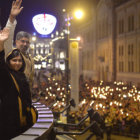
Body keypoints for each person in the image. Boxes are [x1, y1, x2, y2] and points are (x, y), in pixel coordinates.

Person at [0, 27, 37, 139]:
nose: (17, 63)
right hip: (9, 118)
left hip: (23, 117)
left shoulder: (21, 75)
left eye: (19, 61)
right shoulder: (6, 75)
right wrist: (1, 43)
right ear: (8, 61)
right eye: (14, 60)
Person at [4, 0, 34, 90]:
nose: (25, 44)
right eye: (22, 41)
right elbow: (8, 38)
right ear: (16, 42)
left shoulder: (30, 58)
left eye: (27, 42)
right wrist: (12, 18)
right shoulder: (12, 53)